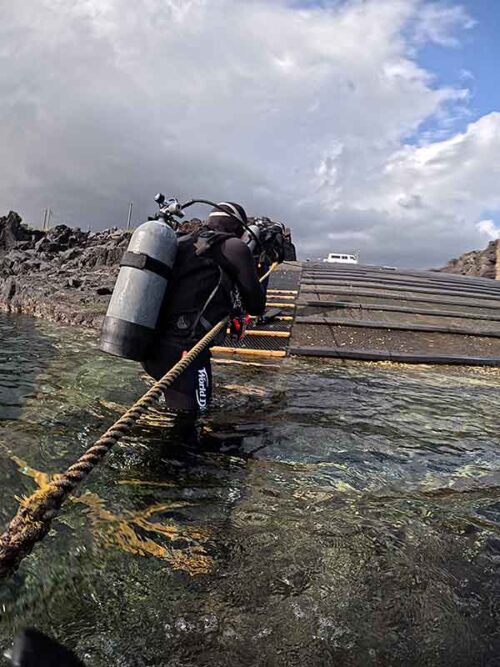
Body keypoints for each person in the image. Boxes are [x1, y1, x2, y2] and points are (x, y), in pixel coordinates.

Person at [141, 202, 266, 416]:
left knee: (172, 411)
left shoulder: (181, 242)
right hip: (185, 354)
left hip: (150, 346)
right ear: (237, 227)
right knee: (189, 422)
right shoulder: (234, 247)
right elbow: (256, 306)